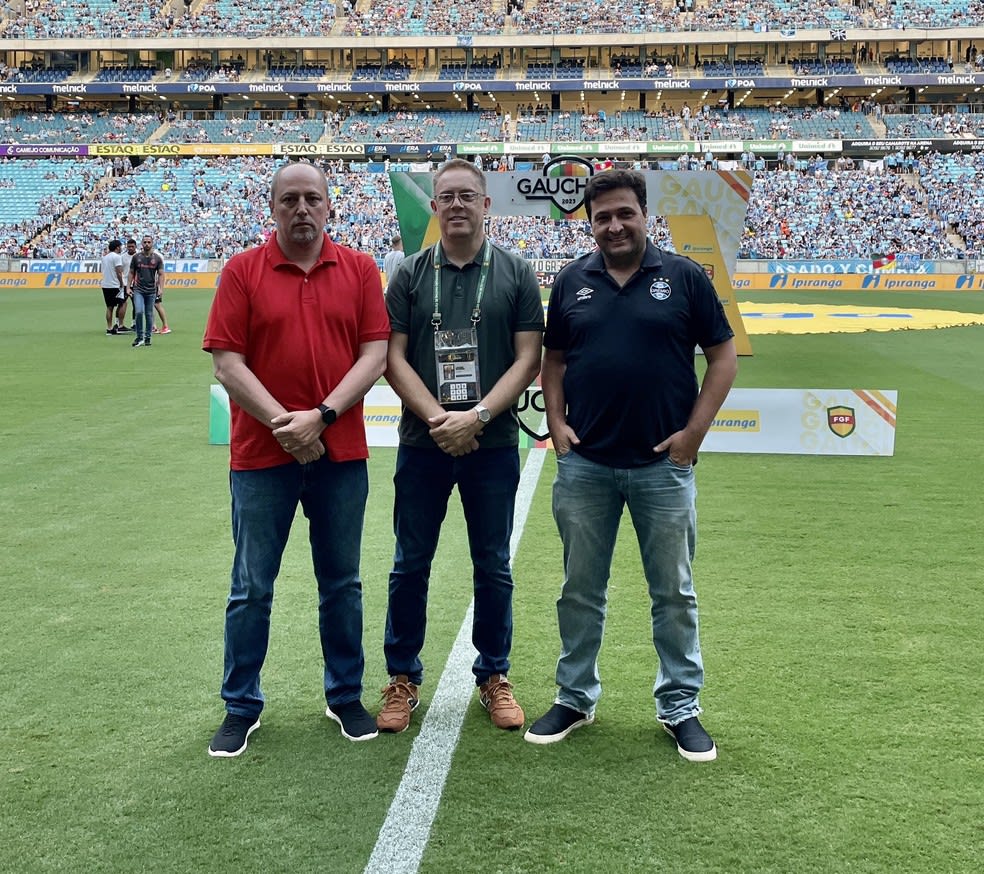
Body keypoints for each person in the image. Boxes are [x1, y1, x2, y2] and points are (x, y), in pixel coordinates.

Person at [525, 170, 738, 761]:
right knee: (579, 590)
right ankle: (575, 697)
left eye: (625, 213)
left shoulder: (685, 277)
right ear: (590, 223)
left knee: (673, 593)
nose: (614, 226)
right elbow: (555, 363)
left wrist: (693, 435)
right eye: (602, 218)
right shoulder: (572, 280)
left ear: (645, 215)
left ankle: (680, 707)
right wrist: (559, 427)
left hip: (662, 469)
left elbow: (722, 359)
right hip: (585, 465)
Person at [203, 161, 390, 757]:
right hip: (262, 455)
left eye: (313, 198)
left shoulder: (359, 268)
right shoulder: (242, 271)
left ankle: (344, 696)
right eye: (290, 200)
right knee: (252, 586)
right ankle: (241, 705)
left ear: (330, 206)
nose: (302, 209)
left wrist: (322, 417)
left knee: (342, 583)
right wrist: (287, 424)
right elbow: (228, 364)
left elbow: (375, 353)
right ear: (273, 208)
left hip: (340, 453)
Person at [378, 158, 544, 734]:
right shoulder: (409, 274)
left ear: (485, 204)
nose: (455, 205)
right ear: (434, 205)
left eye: (466, 196)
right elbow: (391, 358)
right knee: (409, 564)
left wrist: (475, 415)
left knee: (493, 566)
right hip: (422, 443)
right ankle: (402, 676)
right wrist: (436, 417)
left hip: (492, 442)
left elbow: (529, 358)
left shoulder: (517, 272)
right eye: (445, 196)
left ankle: (493, 675)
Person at [129, 235, 165, 347]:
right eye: (145, 242)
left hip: (151, 290)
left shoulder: (157, 258)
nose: (147, 244)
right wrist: (127, 286)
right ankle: (139, 336)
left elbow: (161, 274)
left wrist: (161, 288)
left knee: (149, 314)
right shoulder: (136, 257)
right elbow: (131, 272)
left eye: (149, 242)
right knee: (139, 311)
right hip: (138, 289)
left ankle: (148, 337)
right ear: (142, 243)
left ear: (152, 243)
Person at [99, 239, 125, 335]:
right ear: (117, 247)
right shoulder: (117, 257)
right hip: (115, 285)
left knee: (109, 307)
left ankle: (109, 328)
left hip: (106, 284)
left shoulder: (104, 257)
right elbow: (119, 272)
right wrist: (121, 283)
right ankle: (118, 324)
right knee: (122, 304)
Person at [118, 238, 137, 332]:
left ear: (135, 247)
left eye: (132, 247)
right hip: (125, 283)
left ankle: (134, 323)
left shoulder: (139, 256)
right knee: (122, 303)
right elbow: (119, 270)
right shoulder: (122, 257)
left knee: (136, 304)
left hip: (136, 284)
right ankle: (118, 324)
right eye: (128, 246)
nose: (130, 248)